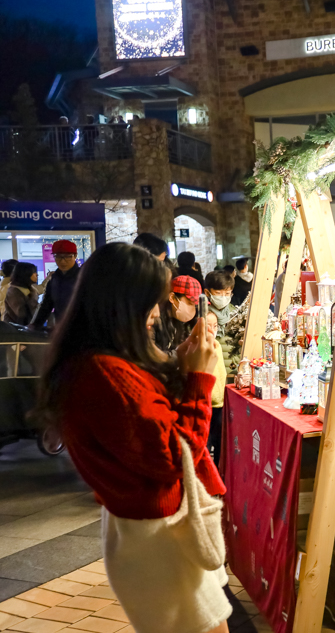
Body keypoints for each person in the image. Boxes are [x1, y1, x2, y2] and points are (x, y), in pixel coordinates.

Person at [33, 242, 230, 633]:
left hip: (150, 528)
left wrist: (180, 366)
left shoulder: (98, 361)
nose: (156, 313)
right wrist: (199, 379)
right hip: (156, 537)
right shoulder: (103, 372)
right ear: (123, 304)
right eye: (151, 302)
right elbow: (175, 456)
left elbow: (147, 423)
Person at [31, 239, 81, 330]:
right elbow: (47, 304)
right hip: (61, 328)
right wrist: (35, 325)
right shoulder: (54, 278)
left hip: (82, 330)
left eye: (67, 257)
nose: (62, 261)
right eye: (58, 257)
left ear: (75, 256)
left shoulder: (83, 277)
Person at [154, 275, 200, 355]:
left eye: (195, 305)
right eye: (189, 303)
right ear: (172, 297)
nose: (192, 308)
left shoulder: (181, 322)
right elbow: (153, 355)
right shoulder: (155, 320)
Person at [204, 311, 227, 466]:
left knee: (219, 443)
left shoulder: (218, 346)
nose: (213, 330)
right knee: (205, 444)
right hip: (205, 404)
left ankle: (218, 475)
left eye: (215, 326)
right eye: (208, 327)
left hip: (220, 404)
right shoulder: (198, 348)